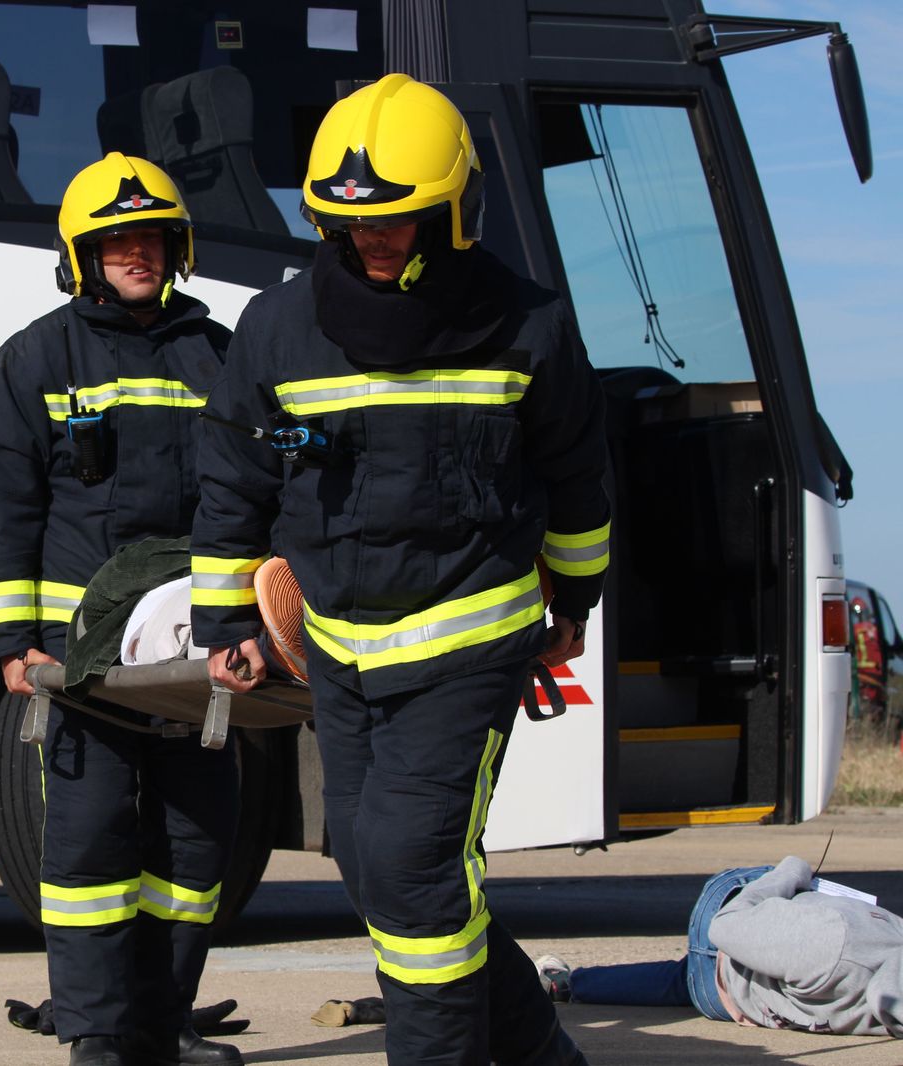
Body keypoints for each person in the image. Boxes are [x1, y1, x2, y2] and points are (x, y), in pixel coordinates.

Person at [191, 74, 611, 1066]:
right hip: (340, 647)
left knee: (416, 864)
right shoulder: (275, 328)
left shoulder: (527, 323)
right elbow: (233, 476)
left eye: (400, 222)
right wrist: (224, 619)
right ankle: (542, 1055)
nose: (373, 241)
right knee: (383, 870)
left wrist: (575, 599)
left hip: (468, 642)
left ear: (453, 211)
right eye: (348, 225)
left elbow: (576, 478)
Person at [0, 153, 241, 1066]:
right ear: (82, 254)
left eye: (153, 238)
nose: (138, 253)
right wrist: (11, 641)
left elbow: (263, 491)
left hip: (194, 653)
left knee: (195, 846)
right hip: (80, 660)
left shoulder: (220, 354)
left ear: (178, 248)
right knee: (87, 850)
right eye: (116, 240)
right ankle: (95, 1036)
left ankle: (161, 1025)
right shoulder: (36, 357)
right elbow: (5, 510)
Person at [537, 855, 903, 1036]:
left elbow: (726, 925)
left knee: (690, 978)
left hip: (724, 937)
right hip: (736, 946)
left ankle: (567, 984)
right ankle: (569, 984)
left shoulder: (833, 942)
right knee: (683, 981)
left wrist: (792, 871)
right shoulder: (844, 949)